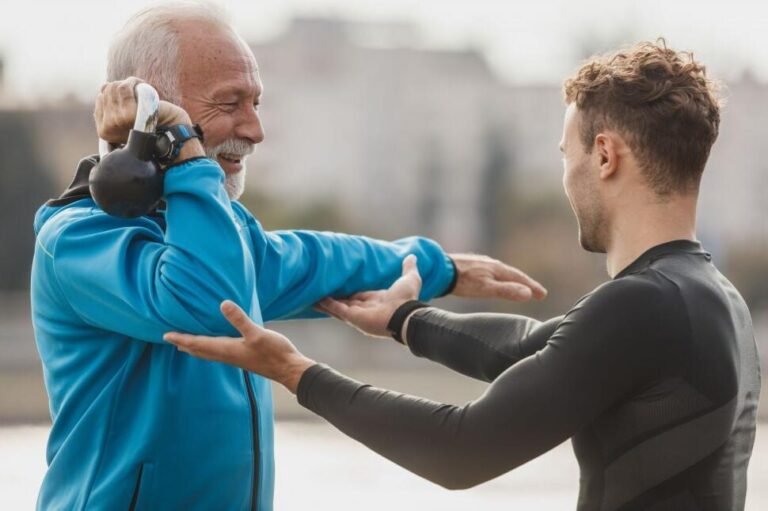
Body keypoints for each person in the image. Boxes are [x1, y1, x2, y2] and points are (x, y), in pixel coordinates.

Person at [166, 40, 762, 511]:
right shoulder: (710, 299)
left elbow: (461, 450)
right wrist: (404, 320)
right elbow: (536, 348)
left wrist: (294, 372)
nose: (567, 175)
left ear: (604, 156)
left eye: (567, 155)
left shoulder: (645, 304)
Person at [30, 2, 546, 510]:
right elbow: (214, 308)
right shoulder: (78, 240)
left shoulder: (221, 236)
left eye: (257, 103)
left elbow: (314, 259)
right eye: (231, 103)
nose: (255, 129)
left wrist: (437, 267)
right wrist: (184, 153)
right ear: (155, 107)